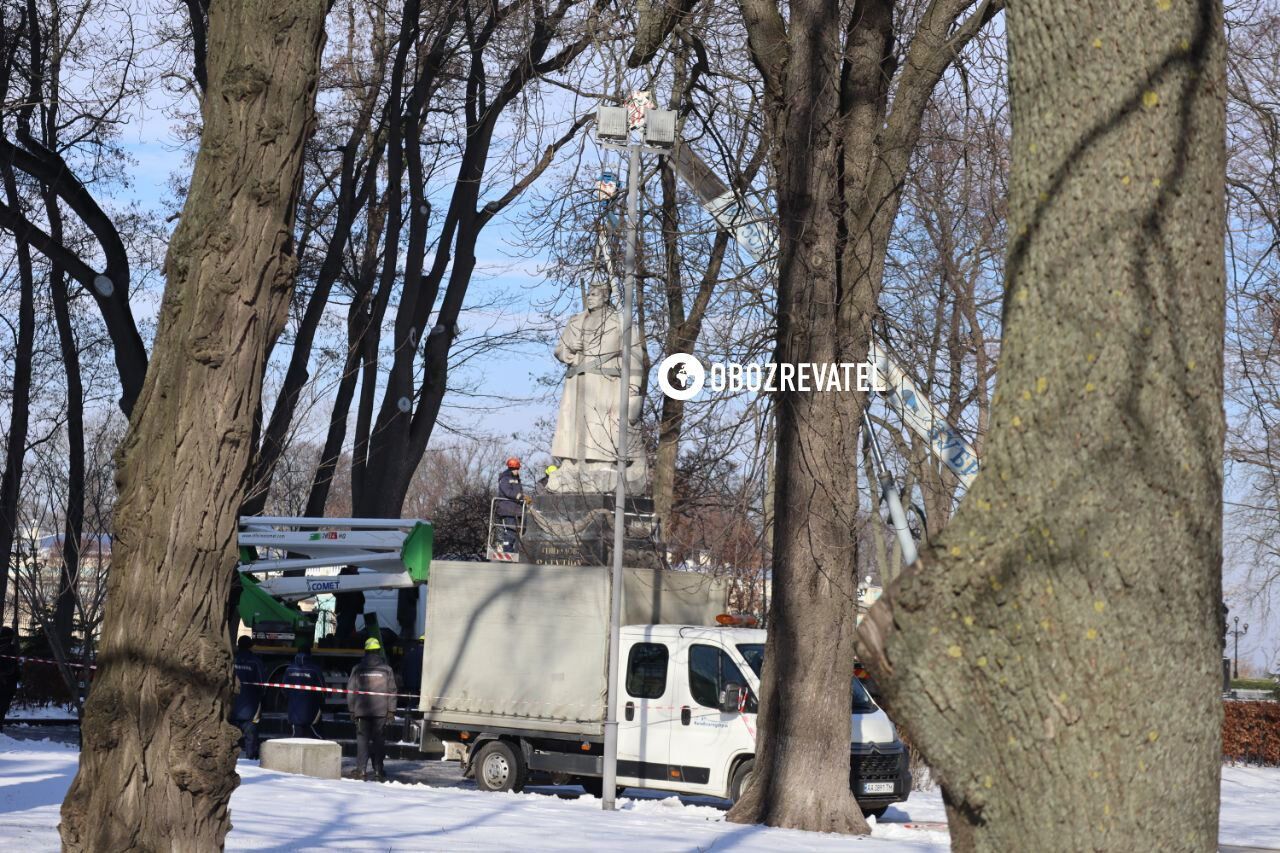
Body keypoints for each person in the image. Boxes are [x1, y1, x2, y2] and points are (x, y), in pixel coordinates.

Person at [347, 636, 396, 781]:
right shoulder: (387, 670)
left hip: (362, 711)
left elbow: (351, 692)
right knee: (379, 741)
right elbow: (392, 691)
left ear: (366, 651)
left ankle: (361, 770)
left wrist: (352, 710)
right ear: (379, 651)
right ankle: (379, 770)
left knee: (362, 740)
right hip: (381, 712)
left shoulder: (357, 669)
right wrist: (391, 711)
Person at [231, 635, 266, 759]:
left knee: (231, 735)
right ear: (250, 646)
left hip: (232, 705)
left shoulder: (232, 660)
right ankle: (251, 757)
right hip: (251, 706)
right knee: (251, 735)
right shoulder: (255, 662)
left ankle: (230, 756)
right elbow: (262, 684)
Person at [282, 641, 326, 738]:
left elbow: (284, 690)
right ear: (310, 654)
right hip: (312, 714)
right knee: (314, 740)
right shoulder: (315, 670)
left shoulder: (289, 669)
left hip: (294, 713)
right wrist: (322, 704)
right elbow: (322, 691)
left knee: (296, 740)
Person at [495, 457, 527, 550]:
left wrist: (523, 498)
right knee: (510, 529)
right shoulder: (505, 478)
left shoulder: (516, 479)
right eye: (516, 469)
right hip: (507, 509)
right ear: (512, 469)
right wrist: (520, 496)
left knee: (518, 529)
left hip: (515, 509)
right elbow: (507, 492)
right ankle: (507, 548)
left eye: (518, 469)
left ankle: (513, 547)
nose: (518, 471)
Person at [0, 627, 20, 734]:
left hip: (6, 683)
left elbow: (11, 669)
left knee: (2, 706)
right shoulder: (8, 649)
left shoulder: (8, 649)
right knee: (2, 706)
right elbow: (11, 669)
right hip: (6, 683)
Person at [399, 634, 424, 709]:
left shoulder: (409, 653)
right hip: (421, 682)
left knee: (412, 700)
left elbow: (404, 668)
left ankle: (409, 715)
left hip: (410, 682)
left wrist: (405, 681)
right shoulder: (427, 654)